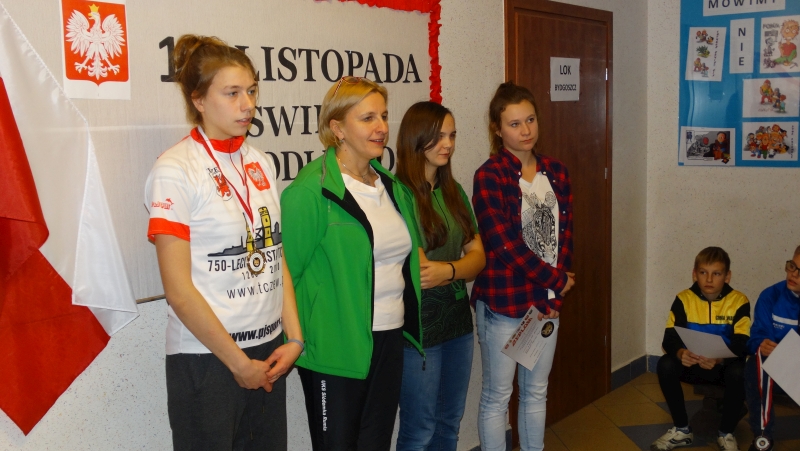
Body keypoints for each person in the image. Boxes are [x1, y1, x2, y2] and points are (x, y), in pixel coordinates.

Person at [144, 35, 303, 451]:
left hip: (268, 349)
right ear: (198, 99)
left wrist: (294, 338)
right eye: (232, 93)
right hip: (209, 358)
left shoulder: (260, 160)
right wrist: (238, 363)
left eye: (251, 91)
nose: (247, 104)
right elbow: (178, 291)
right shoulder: (175, 169)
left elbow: (274, 257)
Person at [281, 77, 423, 450]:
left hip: (389, 336)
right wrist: (295, 339)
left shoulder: (391, 187)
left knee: (375, 444)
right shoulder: (310, 191)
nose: (381, 127)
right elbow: (286, 275)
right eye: (368, 118)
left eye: (384, 116)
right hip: (335, 346)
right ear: (338, 128)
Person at [471, 81, 575, 451]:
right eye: (514, 124)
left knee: (536, 392)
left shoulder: (556, 171)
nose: (525, 130)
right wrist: (555, 281)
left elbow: (565, 236)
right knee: (497, 397)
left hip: (546, 305)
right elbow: (504, 246)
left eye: (530, 120)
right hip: (505, 304)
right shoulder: (490, 175)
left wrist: (555, 294)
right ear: (498, 129)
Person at [394, 101, 486, 451]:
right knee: (420, 430)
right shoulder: (398, 193)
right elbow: (421, 273)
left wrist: (448, 270)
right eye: (439, 136)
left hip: (458, 323)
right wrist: (460, 268)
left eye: (452, 135)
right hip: (419, 329)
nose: (448, 144)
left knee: (450, 423)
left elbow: (479, 258)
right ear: (416, 138)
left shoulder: (454, 191)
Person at [650, 247, 750, 451]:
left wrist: (719, 359)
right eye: (703, 272)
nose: (709, 279)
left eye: (717, 273)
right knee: (665, 364)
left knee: (741, 370)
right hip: (693, 364)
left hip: (723, 368)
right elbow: (669, 339)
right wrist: (681, 353)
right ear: (695, 274)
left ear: (727, 276)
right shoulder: (683, 299)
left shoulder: (739, 301)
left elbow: (742, 344)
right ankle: (681, 430)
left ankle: (726, 433)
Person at [744, 245, 800, 451]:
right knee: (758, 363)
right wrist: (762, 343)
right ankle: (763, 437)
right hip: (778, 367)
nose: (793, 274)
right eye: (792, 266)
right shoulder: (770, 295)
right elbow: (756, 336)